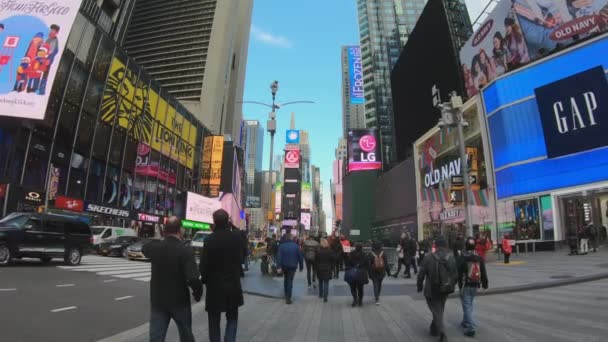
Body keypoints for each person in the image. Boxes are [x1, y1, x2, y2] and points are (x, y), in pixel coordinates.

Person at [142, 216, 202, 342]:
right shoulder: (185, 250)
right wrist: (197, 293)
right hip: (179, 300)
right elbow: (193, 278)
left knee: (156, 337)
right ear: (180, 230)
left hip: (158, 300)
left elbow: (144, 248)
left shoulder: (155, 247)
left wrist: (161, 239)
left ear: (165, 231)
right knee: (186, 334)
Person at [199, 209, 246, 342]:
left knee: (213, 321)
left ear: (214, 222)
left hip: (214, 287)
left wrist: (205, 280)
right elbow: (242, 259)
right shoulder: (236, 238)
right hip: (233, 286)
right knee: (232, 319)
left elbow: (203, 266)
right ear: (228, 221)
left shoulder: (209, 240)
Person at [417, 237, 458, 342]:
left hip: (431, 290)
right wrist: (451, 284)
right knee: (439, 310)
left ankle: (442, 333)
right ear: (445, 245)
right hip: (445, 288)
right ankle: (434, 328)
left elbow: (421, 274)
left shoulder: (428, 257)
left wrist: (419, 286)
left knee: (436, 311)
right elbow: (455, 275)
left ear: (436, 245)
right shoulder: (451, 257)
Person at [457, 237, 489, 338]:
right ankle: (465, 322)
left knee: (466, 305)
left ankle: (471, 328)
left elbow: (459, 273)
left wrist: (457, 284)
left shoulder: (462, 257)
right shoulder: (478, 257)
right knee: (469, 304)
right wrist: (485, 285)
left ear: (466, 245)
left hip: (465, 285)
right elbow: (483, 271)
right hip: (475, 284)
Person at [277, 231, 303, 304]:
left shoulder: (281, 246)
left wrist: (278, 267)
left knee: (286, 278)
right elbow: (300, 257)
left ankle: (286, 293)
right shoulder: (296, 246)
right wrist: (301, 266)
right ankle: (288, 297)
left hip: (284, 266)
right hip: (293, 266)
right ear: (291, 238)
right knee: (290, 280)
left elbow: (279, 257)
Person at [345, 243, 369, 307]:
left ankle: (355, 299)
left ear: (355, 247)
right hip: (361, 274)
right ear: (361, 248)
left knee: (353, 287)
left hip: (352, 273)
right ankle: (360, 301)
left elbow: (347, 263)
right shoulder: (364, 255)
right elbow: (367, 264)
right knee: (360, 288)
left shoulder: (351, 254)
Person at [367, 240, 390, 305]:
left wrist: (368, 272)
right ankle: (378, 295)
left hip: (373, 271)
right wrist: (388, 272)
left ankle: (376, 298)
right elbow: (386, 263)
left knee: (375, 284)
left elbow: (368, 264)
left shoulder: (370, 253)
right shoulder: (383, 253)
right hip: (381, 271)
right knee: (379, 284)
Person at [315, 238, 335, 302]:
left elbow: (316, 261)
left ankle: (320, 294)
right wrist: (332, 268)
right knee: (326, 283)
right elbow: (333, 261)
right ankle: (325, 297)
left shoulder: (318, 252)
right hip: (327, 269)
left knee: (320, 282)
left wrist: (316, 268)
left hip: (319, 269)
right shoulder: (330, 252)